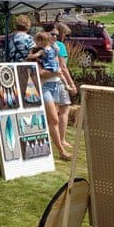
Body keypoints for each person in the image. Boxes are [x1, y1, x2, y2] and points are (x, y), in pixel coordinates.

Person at [52, 23, 78, 151]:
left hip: (48, 81)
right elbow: (63, 66)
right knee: (63, 110)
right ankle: (61, 139)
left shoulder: (46, 45)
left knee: (53, 110)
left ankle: (54, 138)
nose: (65, 38)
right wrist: (71, 84)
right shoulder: (60, 46)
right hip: (60, 82)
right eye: (65, 35)